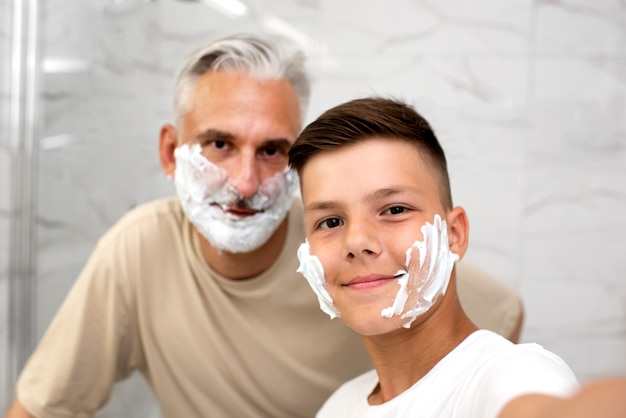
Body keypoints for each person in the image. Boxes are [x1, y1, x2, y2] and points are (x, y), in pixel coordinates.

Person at [6, 35, 522, 418]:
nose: (246, 183)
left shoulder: (337, 248)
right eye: (220, 145)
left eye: (273, 151)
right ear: (170, 152)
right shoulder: (137, 251)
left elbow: (500, 326)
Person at [288, 96, 626, 418]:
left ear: (455, 235)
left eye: (394, 209)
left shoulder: (511, 374)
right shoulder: (338, 407)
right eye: (330, 221)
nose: (357, 241)